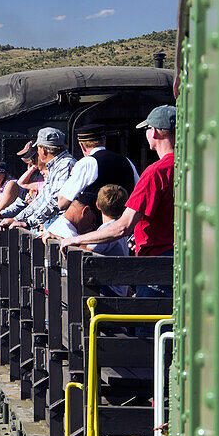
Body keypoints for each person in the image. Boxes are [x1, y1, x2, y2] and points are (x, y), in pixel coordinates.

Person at [61, 106, 176, 296]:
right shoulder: (194, 167)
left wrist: (75, 239)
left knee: (151, 323)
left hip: (157, 266)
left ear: (153, 132)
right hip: (186, 262)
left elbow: (123, 227)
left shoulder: (157, 172)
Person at [0, 127, 76, 231]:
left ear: (43, 150)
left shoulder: (65, 166)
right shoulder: (57, 166)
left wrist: (28, 222)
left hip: (63, 230)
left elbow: (55, 201)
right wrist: (17, 219)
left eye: (38, 148)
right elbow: (41, 199)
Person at [54, 125, 139, 211]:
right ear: (104, 141)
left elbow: (62, 202)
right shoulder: (127, 161)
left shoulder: (86, 163)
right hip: (124, 221)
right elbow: (138, 192)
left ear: (82, 145)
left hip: (97, 222)